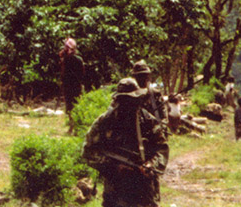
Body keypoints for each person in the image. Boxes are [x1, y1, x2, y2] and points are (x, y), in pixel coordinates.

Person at [82, 78, 169, 207]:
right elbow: (88, 151)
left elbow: (162, 148)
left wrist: (151, 165)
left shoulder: (147, 121)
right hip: (116, 189)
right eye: (126, 100)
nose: (131, 104)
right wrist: (113, 167)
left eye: (135, 99)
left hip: (144, 188)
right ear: (118, 100)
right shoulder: (105, 121)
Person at [131, 60, 166, 127]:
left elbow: (163, 115)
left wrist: (161, 126)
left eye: (145, 75)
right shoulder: (128, 94)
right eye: (139, 76)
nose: (143, 79)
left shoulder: (155, 94)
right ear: (134, 77)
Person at [60, 38, 84, 121]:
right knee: (75, 105)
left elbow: (63, 73)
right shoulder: (78, 59)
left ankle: (72, 124)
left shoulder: (66, 59)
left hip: (69, 85)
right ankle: (74, 124)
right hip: (76, 85)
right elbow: (82, 74)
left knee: (70, 106)